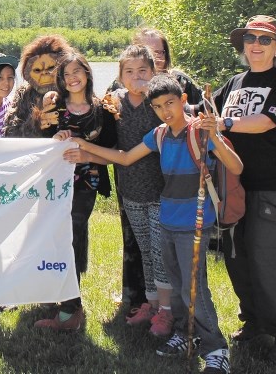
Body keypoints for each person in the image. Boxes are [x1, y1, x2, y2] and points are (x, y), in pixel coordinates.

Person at [59, 73, 242, 373]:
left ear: (183, 100)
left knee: (194, 287)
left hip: (194, 223)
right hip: (167, 219)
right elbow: (126, 157)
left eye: (170, 103)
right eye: (158, 106)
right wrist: (85, 147)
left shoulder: (201, 132)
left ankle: (216, 348)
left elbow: (236, 165)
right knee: (179, 283)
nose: (165, 111)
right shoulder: (159, 134)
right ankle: (185, 334)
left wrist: (217, 137)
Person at [206, 15, 276, 367]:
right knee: (237, 258)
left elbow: (265, 122)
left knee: (266, 260)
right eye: (250, 38)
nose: (256, 45)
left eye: (264, 39)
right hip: (232, 187)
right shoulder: (233, 83)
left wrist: (225, 123)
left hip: (271, 187)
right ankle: (255, 323)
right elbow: (205, 112)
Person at [34, 53, 117, 331]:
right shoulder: (53, 109)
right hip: (54, 185)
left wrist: (86, 155)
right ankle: (53, 296)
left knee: (72, 235)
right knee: (53, 238)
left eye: (77, 71)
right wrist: (54, 140)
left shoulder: (102, 110)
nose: (72, 78)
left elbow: (114, 155)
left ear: (88, 73)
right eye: (66, 74)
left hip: (86, 183)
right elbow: (41, 149)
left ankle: (71, 309)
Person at [107, 45, 174, 336]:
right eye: (129, 72)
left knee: (161, 253)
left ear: (154, 72)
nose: (137, 77)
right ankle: (151, 302)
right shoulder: (113, 104)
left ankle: (168, 311)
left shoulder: (159, 104)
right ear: (121, 76)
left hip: (163, 190)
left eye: (143, 71)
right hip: (130, 190)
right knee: (145, 250)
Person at [3, 34, 74, 138]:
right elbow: (10, 133)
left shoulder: (74, 88)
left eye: (51, 68)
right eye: (37, 70)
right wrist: (35, 123)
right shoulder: (24, 94)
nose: (44, 74)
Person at [133, 27, 203, 104]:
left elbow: (204, 109)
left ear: (165, 55)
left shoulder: (181, 82)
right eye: (146, 53)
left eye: (158, 52)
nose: (152, 58)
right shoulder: (124, 85)